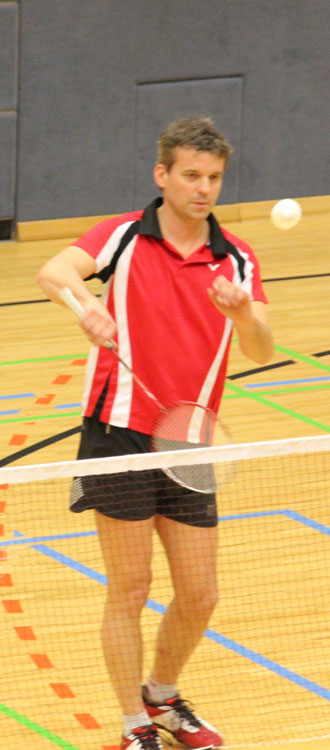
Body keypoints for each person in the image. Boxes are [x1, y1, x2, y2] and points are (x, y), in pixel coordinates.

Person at [36, 116, 273, 750]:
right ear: (162, 175)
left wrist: (243, 316)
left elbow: (260, 349)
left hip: (186, 437)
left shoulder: (238, 259)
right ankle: (131, 724)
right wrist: (87, 306)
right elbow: (54, 270)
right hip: (117, 432)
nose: (203, 189)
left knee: (200, 593)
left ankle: (162, 697)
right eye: (191, 175)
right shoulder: (123, 236)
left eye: (214, 178)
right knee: (131, 587)